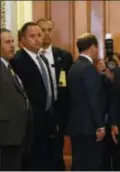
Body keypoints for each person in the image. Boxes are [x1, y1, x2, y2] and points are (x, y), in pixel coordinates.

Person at [10, 22, 56, 170]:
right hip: (30, 123)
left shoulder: (41, 58)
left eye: (39, 35)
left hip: (45, 122)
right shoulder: (18, 60)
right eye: (32, 36)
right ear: (22, 40)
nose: (37, 39)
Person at [37, 18, 73, 170]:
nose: (45, 34)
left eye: (48, 30)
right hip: (38, 112)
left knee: (57, 153)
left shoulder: (64, 56)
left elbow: (70, 87)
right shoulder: (29, 56)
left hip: (58, 111)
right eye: (42, 30)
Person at [66, 33, 106, 170]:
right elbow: (92, 98)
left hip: (76, 125)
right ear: (93, 47)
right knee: (91, 164)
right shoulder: (88, 68)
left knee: (79, 163)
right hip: (89, 126)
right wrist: (100, 125)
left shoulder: (74, 67)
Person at [0, 28, 32, 170]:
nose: (12, 45)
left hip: (16, 135)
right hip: (5, 136)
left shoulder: (9, 66)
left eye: (13, 41)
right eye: (7, 42)